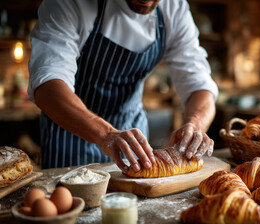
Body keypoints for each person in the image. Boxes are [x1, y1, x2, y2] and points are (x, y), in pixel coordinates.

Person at [28, 0, 218, 172]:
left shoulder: (173, 8)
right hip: (70, 140)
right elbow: (47, 86)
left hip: (134, 144)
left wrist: (195, 124)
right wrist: (106, 134)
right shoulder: (70, 3)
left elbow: (199, 86)